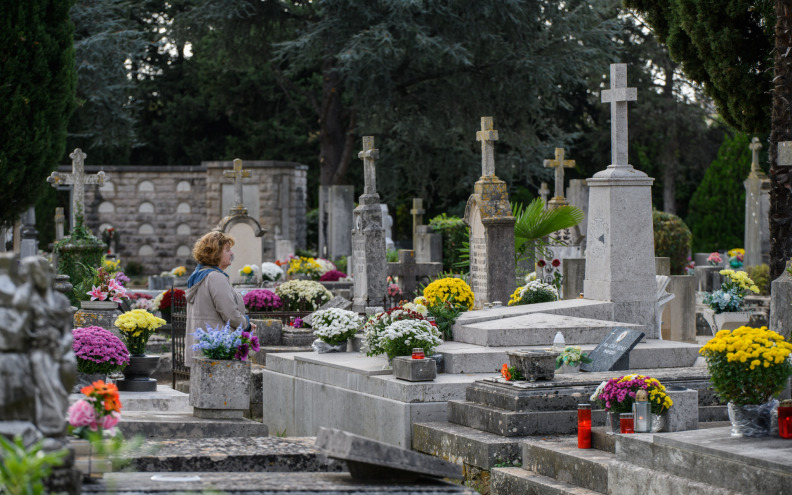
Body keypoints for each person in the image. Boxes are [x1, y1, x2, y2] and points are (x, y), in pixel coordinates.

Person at [185, 231, 256, 366]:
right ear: (215, 253)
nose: (231, 254)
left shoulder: (199, 275)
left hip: (204, 349)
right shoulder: (215, 277)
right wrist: (247, 325)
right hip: (218, 350)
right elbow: (230, 314)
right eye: (227, 250)